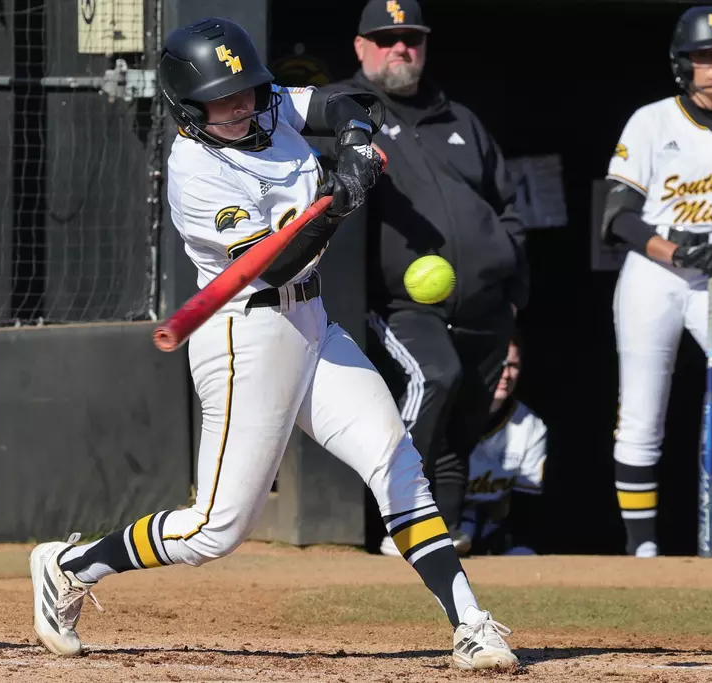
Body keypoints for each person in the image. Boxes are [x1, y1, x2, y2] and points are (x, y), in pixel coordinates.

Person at [27, 16, 519, 672]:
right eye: (221, 100)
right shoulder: (197, 171)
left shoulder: (267, 105)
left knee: (396, 461)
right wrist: (340, 202)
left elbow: (353, 102)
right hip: (246, 335)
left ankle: (471, 623)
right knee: (215, 530)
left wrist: (352, 144)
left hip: (313, 324)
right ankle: (68, 565)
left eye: (246, 91)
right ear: (187, 108)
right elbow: (277, 265)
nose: (240, 107)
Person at [312, 0, 529, 556]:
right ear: (361, 47)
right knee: (434, 378)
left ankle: (445, 530)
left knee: (466, 417)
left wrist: (511, 287)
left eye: (411, 38)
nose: (400, 48)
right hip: (398, 300)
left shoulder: (458, 117)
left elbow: (508, 202)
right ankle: (398, 519)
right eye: (386, 39)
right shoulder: (343, 107)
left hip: (483, 302)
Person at [601, 5, 712, 559]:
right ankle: (643, 550)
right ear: (684, 64)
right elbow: (619, 216)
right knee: (641, 413)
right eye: (706, 57)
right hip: (656, 273)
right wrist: (677, 250)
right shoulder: (651, 120)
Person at [381, 331, 546, 557]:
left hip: (491, 533)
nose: (506, 374)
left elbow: (526, 508)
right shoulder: (441, 415)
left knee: (523, 553)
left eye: (514, 365)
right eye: (501, 363)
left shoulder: (530, 426)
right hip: (436, 525)